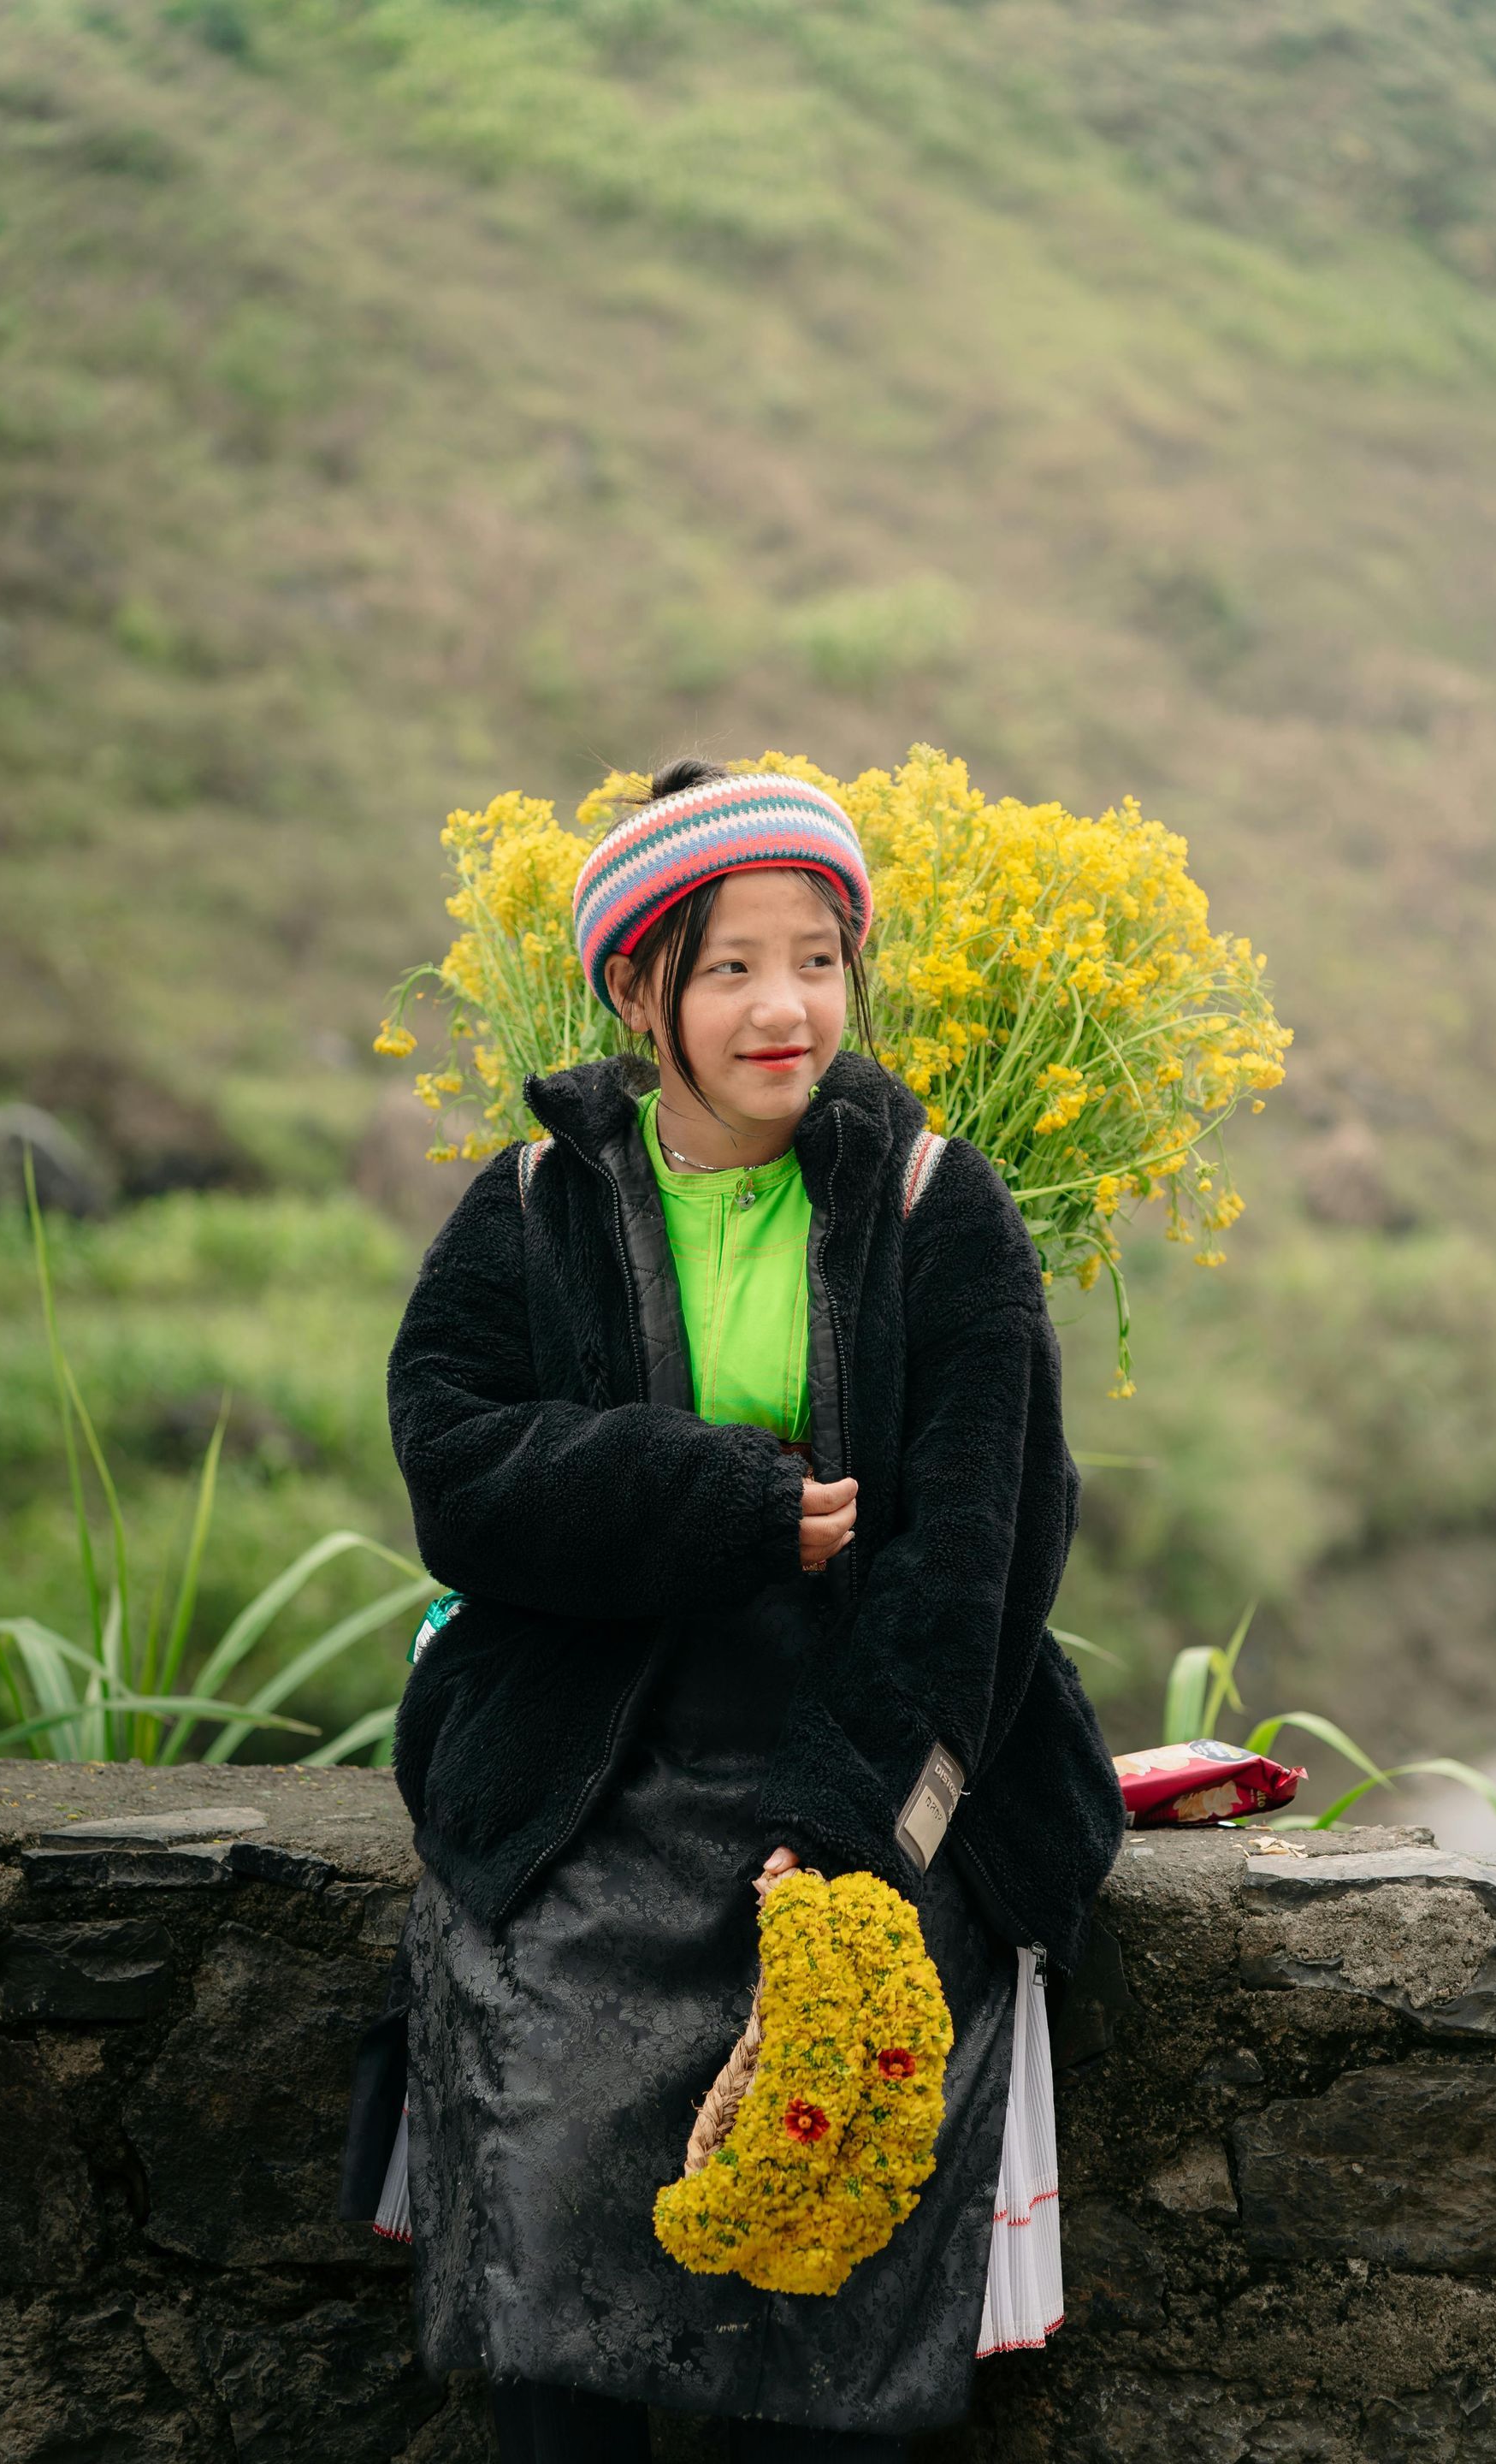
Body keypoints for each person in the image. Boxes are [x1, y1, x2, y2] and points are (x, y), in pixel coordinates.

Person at [383, 761, 1125, 2461]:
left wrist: (851, 1827)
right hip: (599, 1756)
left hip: (880, 1753)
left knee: (847, 2139)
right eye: (728, 966)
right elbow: (458, 1472)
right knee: (551, 2099)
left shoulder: (944, 1208)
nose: (783, 1007)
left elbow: (985, 1554)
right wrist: (707, 1500)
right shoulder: (531, 1209)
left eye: (816, 957)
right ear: (639, 990)